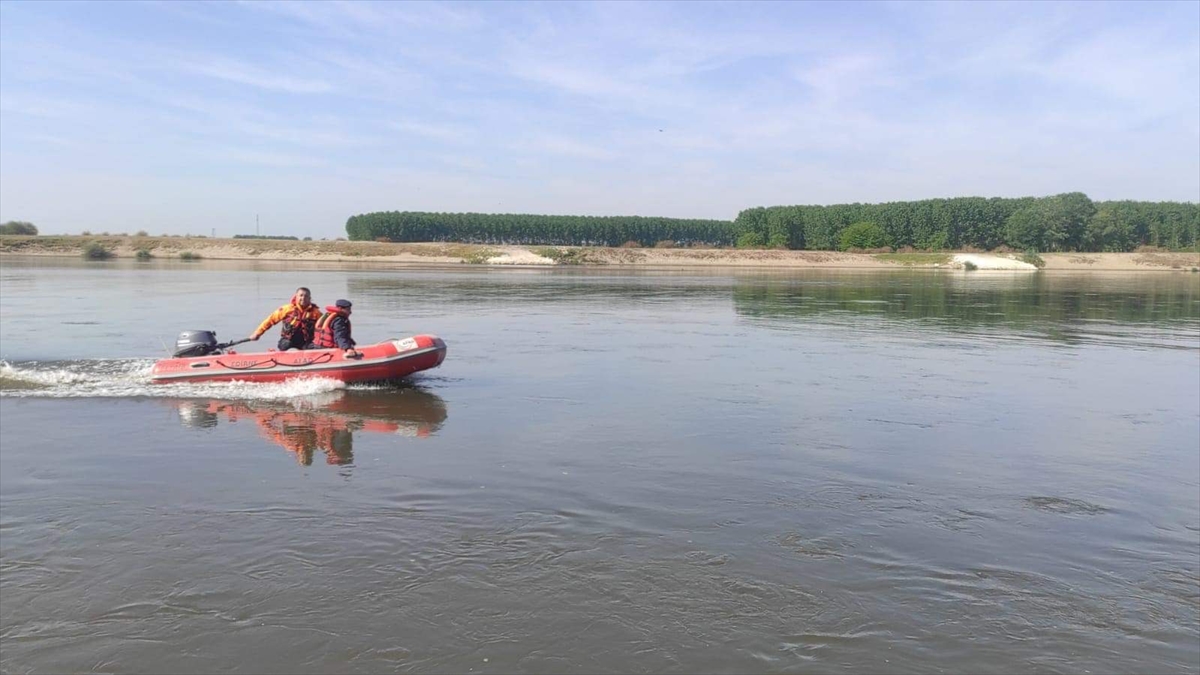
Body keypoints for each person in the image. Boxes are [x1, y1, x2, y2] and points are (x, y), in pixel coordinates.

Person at [249, 287, 322, 351]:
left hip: (305, 342)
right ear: (296, 297)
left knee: (316, 347)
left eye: (306, 296)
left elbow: (324, 328)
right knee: (286, 344)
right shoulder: (286, 309)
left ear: (310, 298)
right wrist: (257, 333)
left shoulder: (316, 313)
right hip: (287, 340)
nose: (303, 298)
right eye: (301, 295)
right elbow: (270, 320)